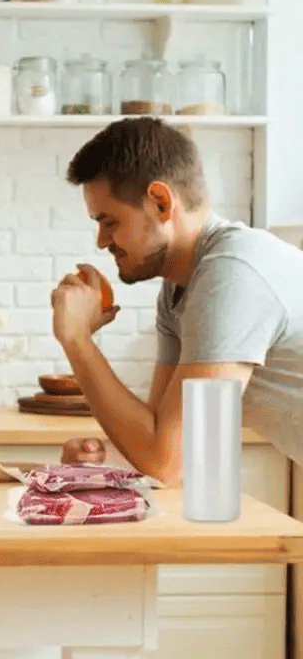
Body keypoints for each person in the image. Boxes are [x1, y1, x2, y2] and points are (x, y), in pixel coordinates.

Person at [51, 117, 303, 484]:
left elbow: (167, 462)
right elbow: (159, 441)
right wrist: (95, 465)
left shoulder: (233, 274)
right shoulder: (180, 289)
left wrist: (76, 339)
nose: (101, 242)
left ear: (160, 202)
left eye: (110, 222)